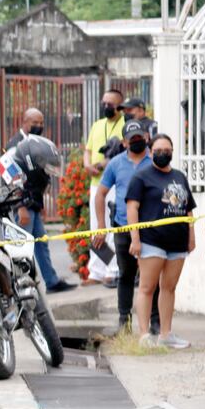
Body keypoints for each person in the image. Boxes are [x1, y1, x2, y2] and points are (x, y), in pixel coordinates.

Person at [126, 134, 196, 349]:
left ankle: (166, 334)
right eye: (158, 150)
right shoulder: (142, 176)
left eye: (167, 150)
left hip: (177, 242)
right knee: (147, 287)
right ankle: (144, 335)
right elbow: (132, 208)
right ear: (150, 151)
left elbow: (188, 209)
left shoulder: (179, 176)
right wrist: (135, 239)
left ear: (173, 152)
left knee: (169, 287)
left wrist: (191, 236)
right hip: (151, 241)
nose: (163, 153)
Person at [94, 121, 159, 334]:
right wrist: (101, 226)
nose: (137, 141)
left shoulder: (155, 160)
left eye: (140, 136)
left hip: (151, 228)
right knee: (126, 275)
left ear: (147, 137)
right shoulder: (115, 164)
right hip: (122, 227)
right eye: (132, 139)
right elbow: (100, 194)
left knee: (152, 277)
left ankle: (155, 322)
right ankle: (124, 321)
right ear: (124, 142)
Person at [6, 108, 74, 294]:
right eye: (34, 123)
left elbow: (40, 175)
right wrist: (20, 207)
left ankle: (51, 281)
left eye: (41, 123)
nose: (39, 126)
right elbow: (10, 178)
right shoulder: (15, 145)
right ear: (24, 122)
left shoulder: (37, 143)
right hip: (22, 205)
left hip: (34, 203)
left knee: (41, 242)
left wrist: (41, 204)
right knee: (23, 246)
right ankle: (20, 286)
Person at [84, 89, 126, 286]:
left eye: (110, 103)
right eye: (104, 102)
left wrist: (102, 164)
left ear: (120, 105)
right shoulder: (97, 125)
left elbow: (121, 153)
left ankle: (112, 270)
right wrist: (87, 164)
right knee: (96, 227)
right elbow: (88, 150)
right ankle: (96, 271)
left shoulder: (124, 124)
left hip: (114, 184)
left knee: (110, 227)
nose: (106, 106)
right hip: (96, 184)